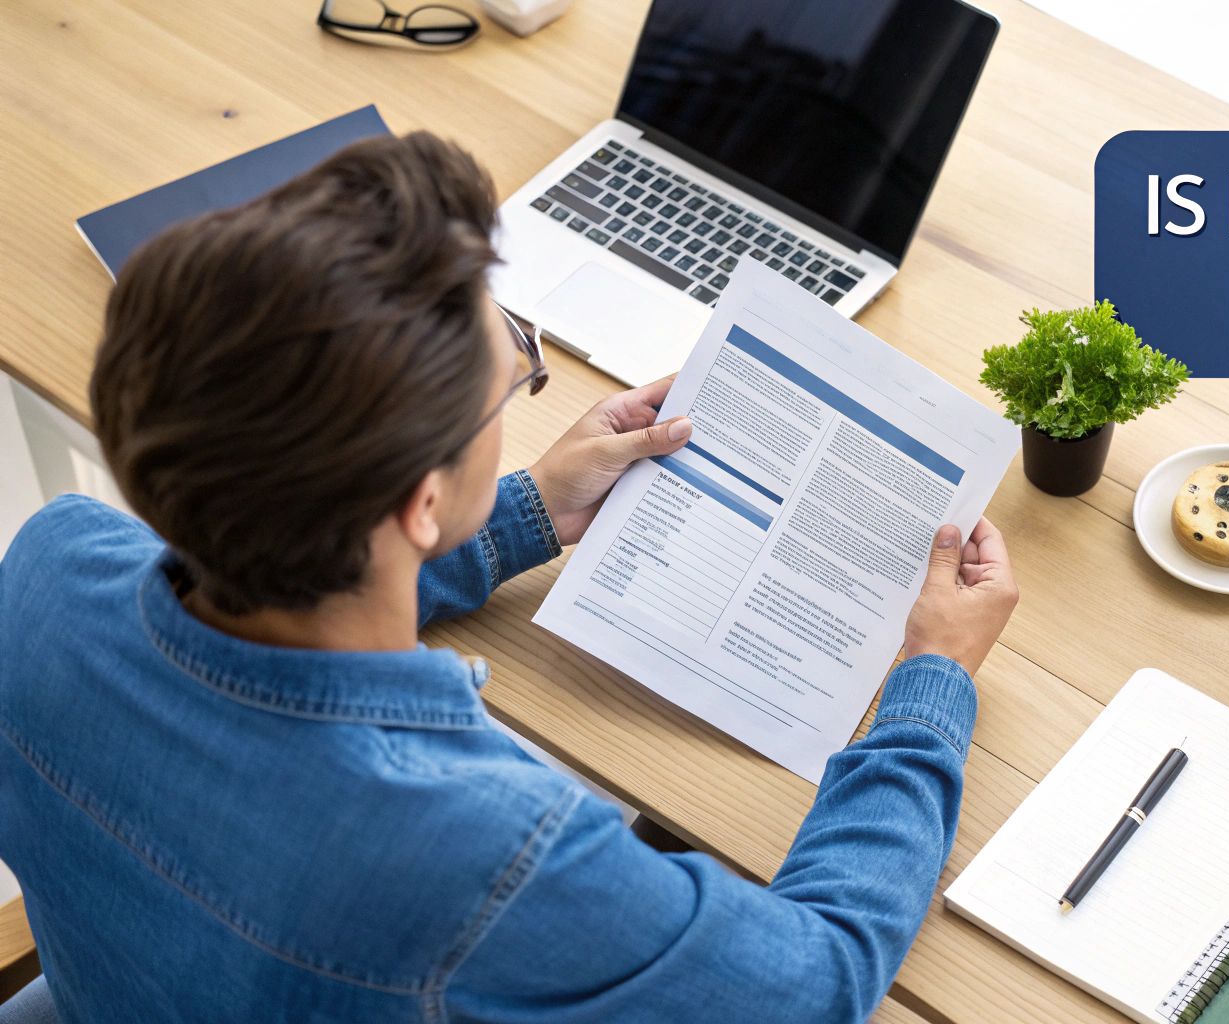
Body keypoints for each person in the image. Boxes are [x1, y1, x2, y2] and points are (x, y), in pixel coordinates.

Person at [0, 133, 1017, 1023]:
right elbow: (816, 982)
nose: (526, 390)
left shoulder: (50, 567)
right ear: (418, 504)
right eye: (515, 386)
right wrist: (928, 684)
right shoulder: (493, 855)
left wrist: (521, 510)